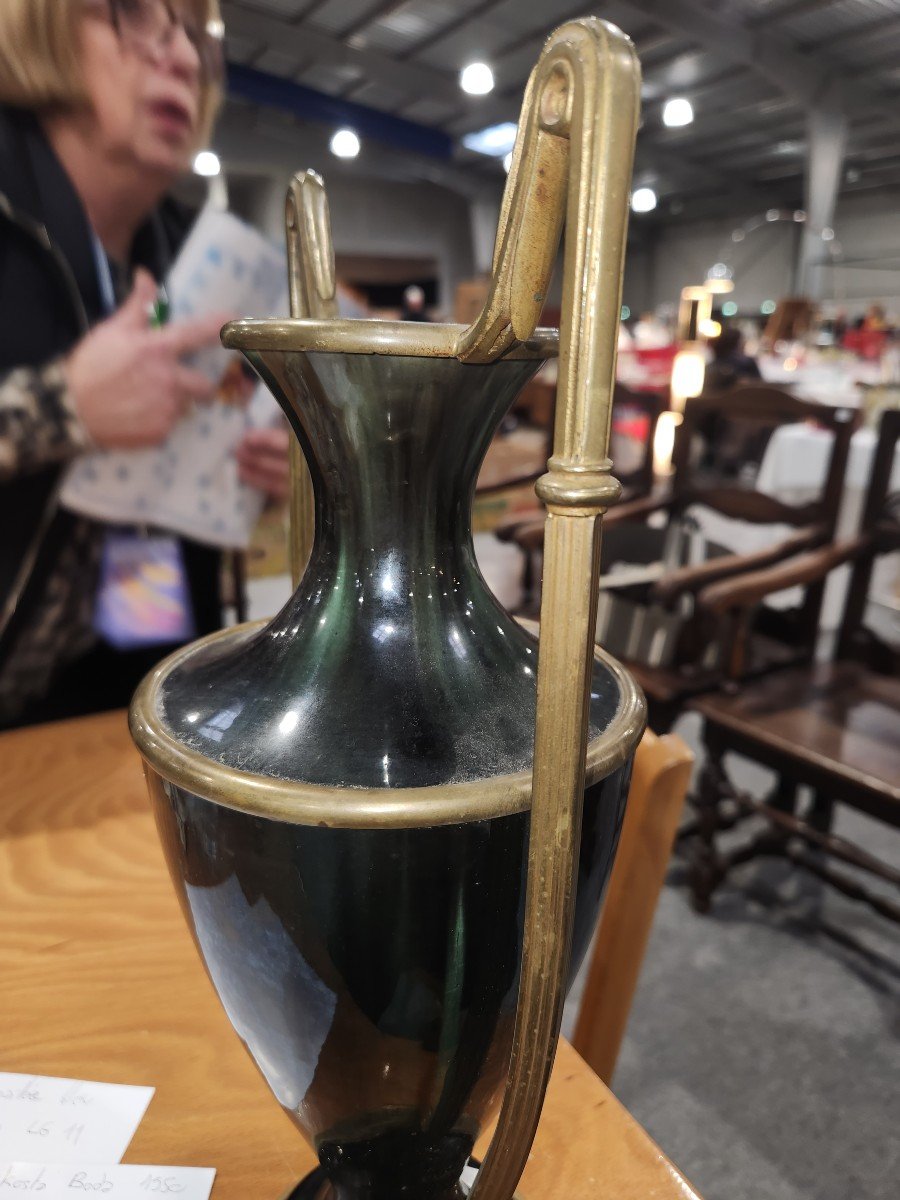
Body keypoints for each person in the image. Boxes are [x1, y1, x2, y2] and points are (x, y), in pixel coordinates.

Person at [0, 0, 288, 729]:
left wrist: (278, 462)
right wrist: (59, 409)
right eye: (132, 11)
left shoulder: (192, 252)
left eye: (195, 35)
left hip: (123, 687)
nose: (185, 59)